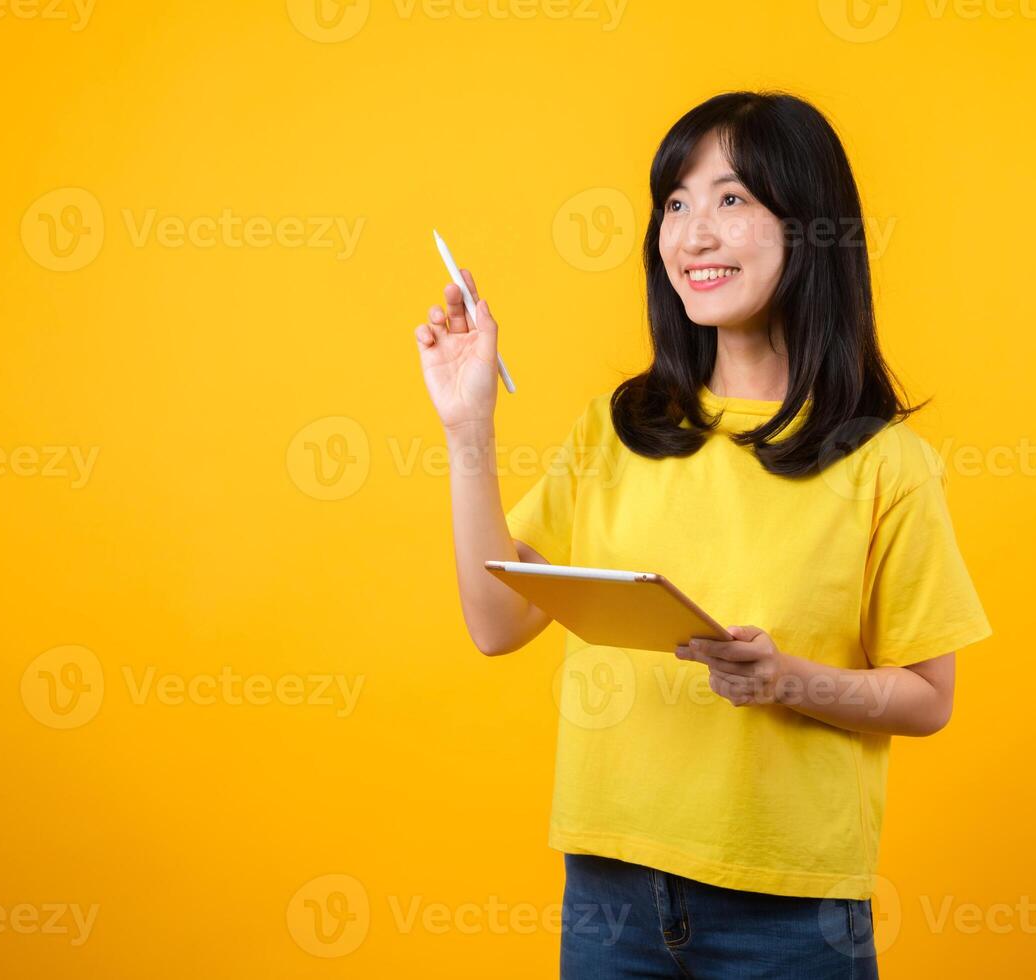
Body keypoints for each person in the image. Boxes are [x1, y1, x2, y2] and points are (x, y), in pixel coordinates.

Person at [414, 90, 992, 979]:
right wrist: (468, 428)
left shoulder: (883, 462)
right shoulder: (621, 425)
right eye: (675, 204)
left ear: (811, 229)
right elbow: (496, 624)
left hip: (789, 911)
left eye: (731, 199)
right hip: (610, 893)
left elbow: (929, 698)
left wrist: (785, 680)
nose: (692, 235)